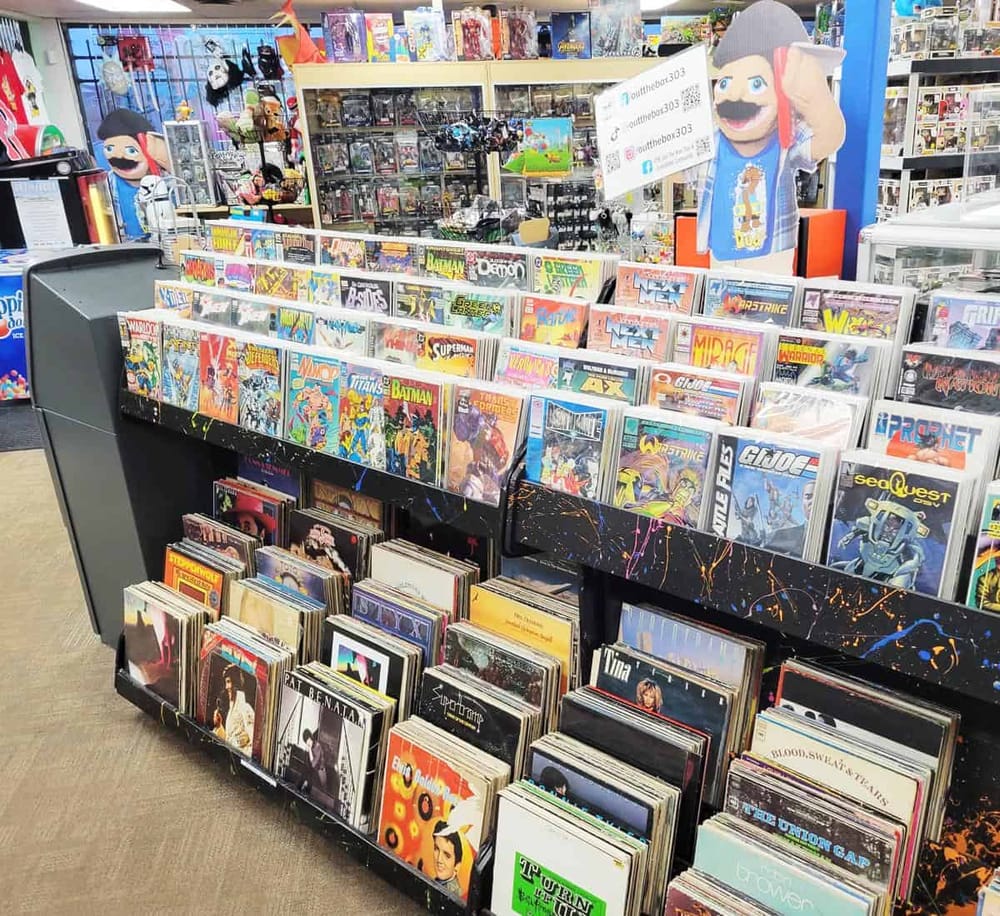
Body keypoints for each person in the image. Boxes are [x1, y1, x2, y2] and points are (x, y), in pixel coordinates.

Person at [694, 0, 846, 272]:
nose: (733, 95)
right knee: (720, 311)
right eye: (724, 83)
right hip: (719, 254)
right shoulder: (711, 141)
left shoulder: (784, 138)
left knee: (769, 310)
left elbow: (828, 138)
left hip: (770, 255)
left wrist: (816, 99)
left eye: (756, 84)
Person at [213, 664, 254, 754]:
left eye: (228, 682)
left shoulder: (245, 708)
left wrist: (240, 754)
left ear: (236, 683)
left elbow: (254, 746)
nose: (226, 687)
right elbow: (228, 740)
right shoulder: (232, 710)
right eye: (226, 682)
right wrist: (219, 726)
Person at [432, 821, 464, 897]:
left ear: (457, 866)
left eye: (447, 855)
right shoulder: (440, 882)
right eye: (436, 849)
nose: (439, 859)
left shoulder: (453, 895)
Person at [302, 728, 328, 793]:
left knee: (323, 790)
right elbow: (308, 763)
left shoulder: (317, 746)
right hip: (315, 771)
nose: (308, 743)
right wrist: (307, 751)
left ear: (311, 738)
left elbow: (313, 764)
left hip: (321, 770)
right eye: (307, 742)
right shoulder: (310, 746)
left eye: (309, 741)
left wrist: (310, 750)